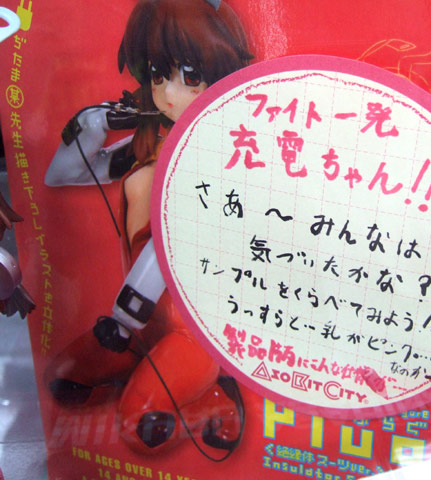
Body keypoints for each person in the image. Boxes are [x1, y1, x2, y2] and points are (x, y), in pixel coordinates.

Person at [44, 0, 252, 455]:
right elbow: (62, 175)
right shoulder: (152, 148)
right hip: (139, 326)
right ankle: (158, 376)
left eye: (190, 75)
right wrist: (90, 127)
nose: (169, 93)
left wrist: (123, 320)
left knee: (138, 424)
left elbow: (171, 245)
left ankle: (214, 397)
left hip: (193, 330)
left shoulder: (228, 162)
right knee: (64, 379)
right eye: (159, 74)